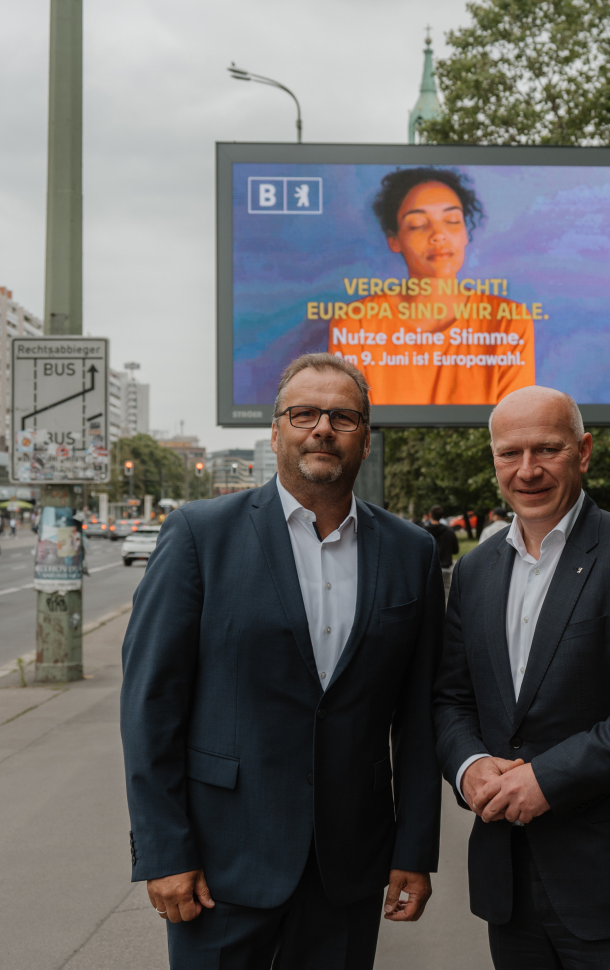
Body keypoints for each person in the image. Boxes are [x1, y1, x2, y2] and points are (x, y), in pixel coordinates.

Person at [120, 353, 445, 970]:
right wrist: (163, 850)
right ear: (275, 432)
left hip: (349, 865)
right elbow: (151, 706)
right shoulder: (198, 535)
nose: (323, 427)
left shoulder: (411, 552)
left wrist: (415, 848)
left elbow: (420, 719)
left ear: (366, 440)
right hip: (218, 866)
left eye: (343, 417)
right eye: (304, 413)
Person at [433, 385, 610, 970]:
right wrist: (468, 765)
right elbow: (452, 697)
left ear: (582, 452)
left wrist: (547, 779)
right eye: (510, 453)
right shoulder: (475, 571)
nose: (526, 470)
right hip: (509, 882)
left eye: (546, 450)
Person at [326, 168, 537, 405]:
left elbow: (513, 426)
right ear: (394, 240)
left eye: (452, 221)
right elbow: (352, 424)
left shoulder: (509, 321)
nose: (439, 235)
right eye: (417, 224)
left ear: (466, 233)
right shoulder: (354, 323)